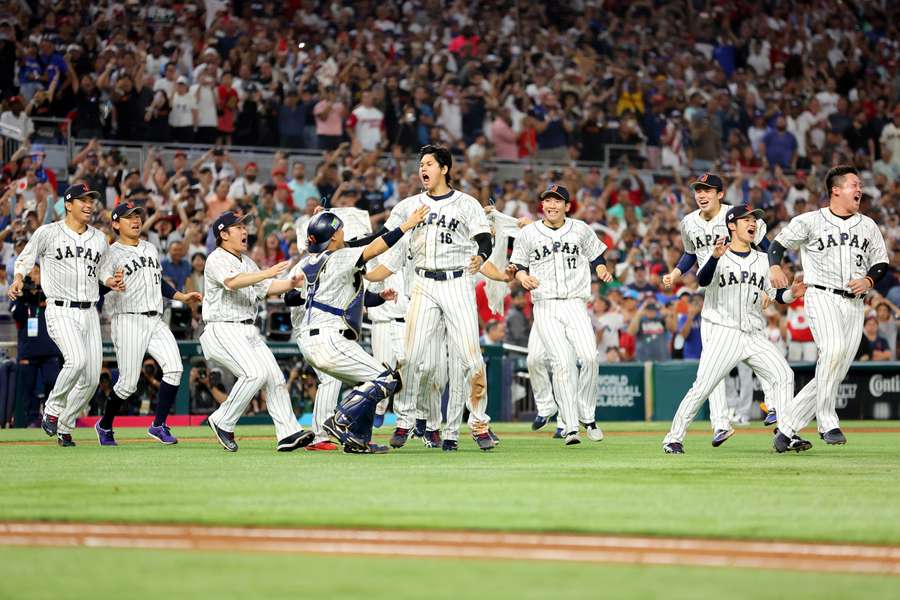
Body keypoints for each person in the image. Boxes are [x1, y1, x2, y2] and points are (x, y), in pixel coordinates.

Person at [663, 206, 806, 454]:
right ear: (732, 225)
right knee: (702, 388)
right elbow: (702, 280)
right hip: (724, 332)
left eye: (754, 220)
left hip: (753, 334)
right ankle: (673, 438)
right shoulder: (717, 253)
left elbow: (777, 295)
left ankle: (785, 434)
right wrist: (716, 256)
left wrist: (792, 293)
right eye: (746, 220)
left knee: (784, 375)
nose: (752, 224)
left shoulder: (763, 260)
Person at [382, 145, 497, 451]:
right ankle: (404, 420)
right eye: (421, 164)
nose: (423, 169)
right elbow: (382, 237)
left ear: (444, 169)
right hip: (423, 283)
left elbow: (484, 237)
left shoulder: (466, 204)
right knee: (408, 355)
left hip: (457, 282)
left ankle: (479, 423)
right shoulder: (409, 205)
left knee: (472, 359)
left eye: (429, 164)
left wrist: (482, 255)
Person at [769, 165, 890, 447]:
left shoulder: (868, 225)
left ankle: (786, 429)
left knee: (833, 370)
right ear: (836, 190)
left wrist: (870, 280)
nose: (859, 189)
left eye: (859, 185)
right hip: (821, 294)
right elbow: (777, 244)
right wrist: (774, 266)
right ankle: (827, 422)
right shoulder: (810, 220)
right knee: (832, 351)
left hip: (855, 304)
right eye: (853, 184)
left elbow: (882, 262)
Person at [296, 205, 428, 453]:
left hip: (311, 337)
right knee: (386, 378)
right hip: (329, 338)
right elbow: (376, 245)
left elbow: (306, 295)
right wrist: (406, 225)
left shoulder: (310, 262)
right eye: (341, 229)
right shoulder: (341, 256)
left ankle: (358, 439)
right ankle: (342, 419)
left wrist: (378, 298)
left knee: (369, 382)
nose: (345, 232)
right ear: (334, 236)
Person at [662, 172, 774, 443]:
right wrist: (676, 274)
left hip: (742, 291)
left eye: (708, 190)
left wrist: (770, 286)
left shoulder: (737, 217)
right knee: (711, 370)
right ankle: (721, 423)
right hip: (713, 296)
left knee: (762, 356)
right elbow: (690, 253)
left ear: (720, 194)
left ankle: (773, 407)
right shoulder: (689, 221)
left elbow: (767, 248)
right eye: (698, 190)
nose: (701, 194)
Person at [200, 211, 314, 453]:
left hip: (247, 330)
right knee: (254, 374)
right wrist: (267, 272)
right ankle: (222, 420)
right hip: (222, 327)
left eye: (245, 226)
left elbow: (269, 287)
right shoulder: (216, 258)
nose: (245, 231)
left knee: (275, 377)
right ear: (223, 234)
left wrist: (291, 283)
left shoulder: (248, 263)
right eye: (238, 227)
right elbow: (232, 282)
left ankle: (288, 433)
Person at [508, 184, 612, 445]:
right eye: (547, 201)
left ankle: (587, 416)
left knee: (589, 357)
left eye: (557, 201)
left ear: (567, 206)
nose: (551, 205)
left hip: (576, 303)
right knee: (563, 365)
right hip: (546, 306)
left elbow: (597, 255)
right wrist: (523, 277)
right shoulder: (529, 233)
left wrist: (600, 270)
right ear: (541, 205)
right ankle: (570, 427)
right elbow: (518, 265)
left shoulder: (580, 229)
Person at [93, 202, 202, 446]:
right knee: (128, 383)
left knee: (174, 368)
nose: (135, 220)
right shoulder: (110, 253)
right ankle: (105, 425)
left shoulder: (151, 248)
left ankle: (158, 425)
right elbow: (99, 284)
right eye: (128, 217)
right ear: (115, 224)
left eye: (137, 216)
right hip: (128, 318)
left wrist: (182, 296)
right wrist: (110, 283)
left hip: (156, 318)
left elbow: (159, 282)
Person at [8, 184, 109, 447]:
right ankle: (52, 410)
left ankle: (64, 426)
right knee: (75, 361)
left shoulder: (99, 238)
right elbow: (25, 257)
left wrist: (113, 279)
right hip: (60, 308)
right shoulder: (48, 232)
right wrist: (18, 278)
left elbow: (105, 271)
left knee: (90, 380)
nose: (89, 204)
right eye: (83, 200)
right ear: (68, 204)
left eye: (91, 200)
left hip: (90, 312)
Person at [10, 265, 62, 427]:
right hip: (28, 351)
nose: (34, 277)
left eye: (37, 273)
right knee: (28, 389)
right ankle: (29, 421)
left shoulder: (51, 294)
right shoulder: (22, 297)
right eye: (31, 274)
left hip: (50, 350)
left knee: (53, 384)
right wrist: (23, 296)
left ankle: (50, 417)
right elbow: (16, 315)